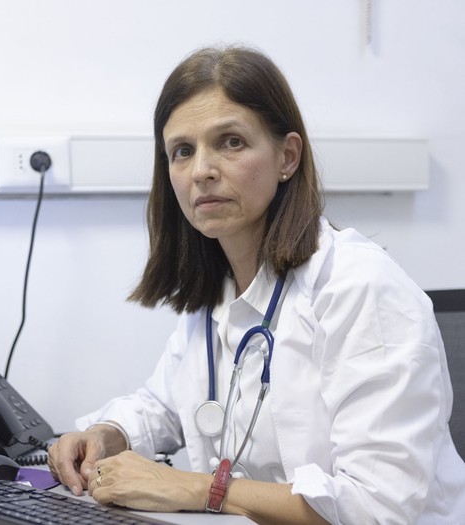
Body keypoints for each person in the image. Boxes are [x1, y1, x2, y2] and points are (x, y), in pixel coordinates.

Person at [47, 45, 465, 524]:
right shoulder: (216, 294)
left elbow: (375, 508)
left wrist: (189, 487)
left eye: (230, 142)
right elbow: (163, 404)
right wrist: (107, 432)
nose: (201, 169)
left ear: (287, 156)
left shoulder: (359, 287)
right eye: (182, 151)